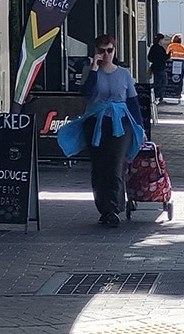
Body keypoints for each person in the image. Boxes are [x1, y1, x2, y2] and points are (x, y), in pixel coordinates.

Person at [56, 35, 145, 227]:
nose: (106, 55)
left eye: (109, 50)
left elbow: (133, 103)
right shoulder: (90, 71)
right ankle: (103, 208)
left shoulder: (124, 74)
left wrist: (140, 128)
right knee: (99, 168)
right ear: (95, 52)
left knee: (115, 165)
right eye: (101, 51)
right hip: (96, 123)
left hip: (120, 123)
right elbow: (85, 93)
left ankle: (114, 208)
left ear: (115, 51)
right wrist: (94, 69)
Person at [147, 33, 169, 104]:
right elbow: (164, 57)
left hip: (155, 67)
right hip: (161, 67)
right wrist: (169, 55)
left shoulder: (153, 47)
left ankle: (157, 96)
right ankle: (159, 97)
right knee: (163, 82)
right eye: (163, 39)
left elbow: (149, 58)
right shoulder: (160, 48)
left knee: (157, 81)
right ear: (160, 40)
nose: (163, 41)